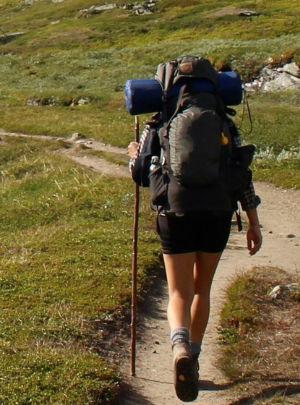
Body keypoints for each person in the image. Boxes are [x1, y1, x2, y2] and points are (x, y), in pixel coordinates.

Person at [126, 56, 263, 401]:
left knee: (178, 292)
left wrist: (132, 153)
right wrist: (253, 223)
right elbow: (240, 174)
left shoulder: (161, 120)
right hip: (217, 211)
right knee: (202, 288)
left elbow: (140, 172)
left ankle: (179, 349)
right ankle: (195, 355)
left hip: (175, 211)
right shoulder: (222, 121)